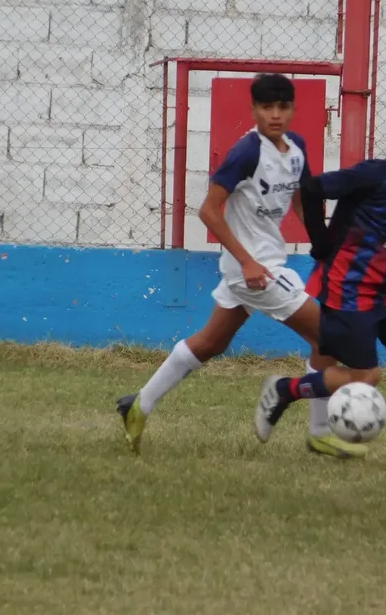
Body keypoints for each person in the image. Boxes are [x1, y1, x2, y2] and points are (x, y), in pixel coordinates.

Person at [115, 73, 368, 460]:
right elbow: (209, 211)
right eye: (266, 107)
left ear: (293, 110)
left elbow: (301, 201)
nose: (275, 115)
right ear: (253, 110)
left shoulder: (296, 149)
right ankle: (310, 423)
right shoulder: (247, 153)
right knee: (329, 336)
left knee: (210, 343)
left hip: (262, 265)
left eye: (282, 106)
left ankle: (138, 405)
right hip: (254, 272)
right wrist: (247, 261)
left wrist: (325, 244)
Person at [254, 104, 386, 477]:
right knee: (366, 377)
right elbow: (312, 188)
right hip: (349, 289)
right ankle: (285, 389)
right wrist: (321, 243)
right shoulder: (378, 174)